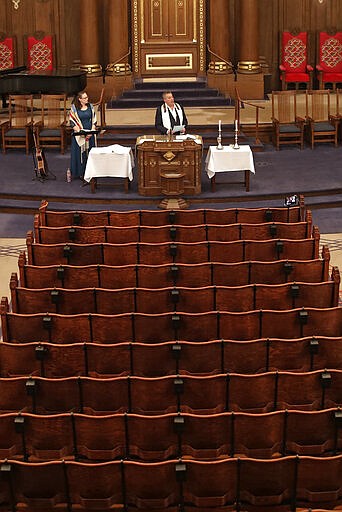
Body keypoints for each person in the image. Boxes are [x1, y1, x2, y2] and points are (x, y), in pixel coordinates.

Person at [69, 91, 97, 180]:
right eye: (84, 98)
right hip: (80, 134)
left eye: (87, 97)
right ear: (80, 99)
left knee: (90, 152)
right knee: (80, 154)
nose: (87, 99)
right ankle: (80, 172)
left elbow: (94, 120)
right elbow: (72, 122)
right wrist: (81, 133)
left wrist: (91, 132)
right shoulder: (74, 108)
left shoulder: (91, 107)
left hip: (90, 133)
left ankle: (91, 172)